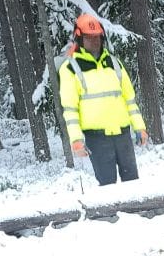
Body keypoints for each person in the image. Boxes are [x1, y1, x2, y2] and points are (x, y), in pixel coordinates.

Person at [59, 13, 148, 186]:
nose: (94, 41)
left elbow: (129, 100)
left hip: (123, 134)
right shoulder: (70, 69)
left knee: (133, 184)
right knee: (107, 187)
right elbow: (70, 110)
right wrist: (76, 139)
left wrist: (140, 127)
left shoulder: (114, 63)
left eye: (97, 37)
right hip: (97, 138)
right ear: (79, 39)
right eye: (89, 38)